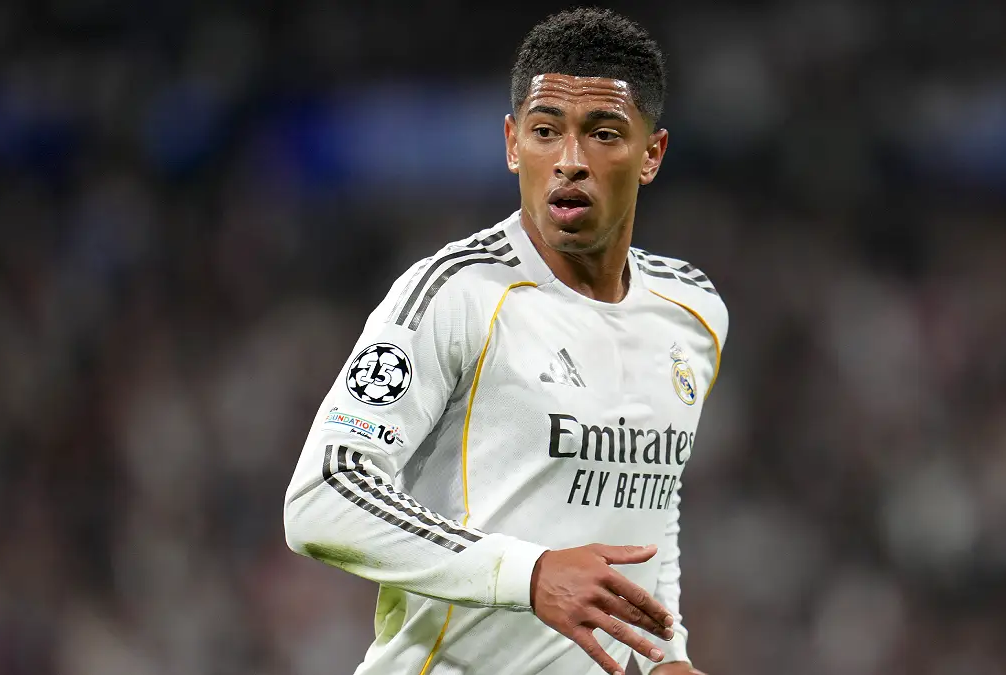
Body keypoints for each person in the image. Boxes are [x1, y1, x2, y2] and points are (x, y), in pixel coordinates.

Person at [283, 8, 724, 675]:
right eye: (547, 132)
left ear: (651, 154)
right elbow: (321, 495)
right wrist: (529, 573)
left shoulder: (692, 312)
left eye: (604, 133)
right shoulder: (455, 294)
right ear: (514, 142)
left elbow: (649, 498)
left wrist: (665, 652)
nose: (570, 161)